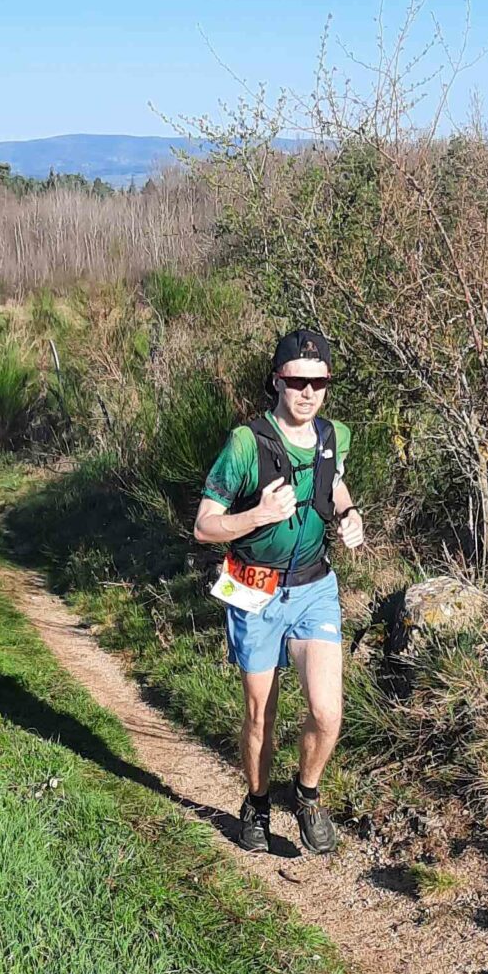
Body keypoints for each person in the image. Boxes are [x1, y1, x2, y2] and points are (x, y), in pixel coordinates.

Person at [194, 327, 364, 855]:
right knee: (259, 716)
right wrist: (258, 515)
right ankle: (257, 802)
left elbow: (333, 481)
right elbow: (204, 525)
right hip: (255, 589)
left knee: (327, 712)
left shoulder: (335, 435)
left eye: (319, 383)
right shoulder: (246, 443)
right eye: (296, 381)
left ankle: (306, 794)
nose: (307, 393)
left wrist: (349, 513)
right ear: (277, 381)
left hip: (315, 586)